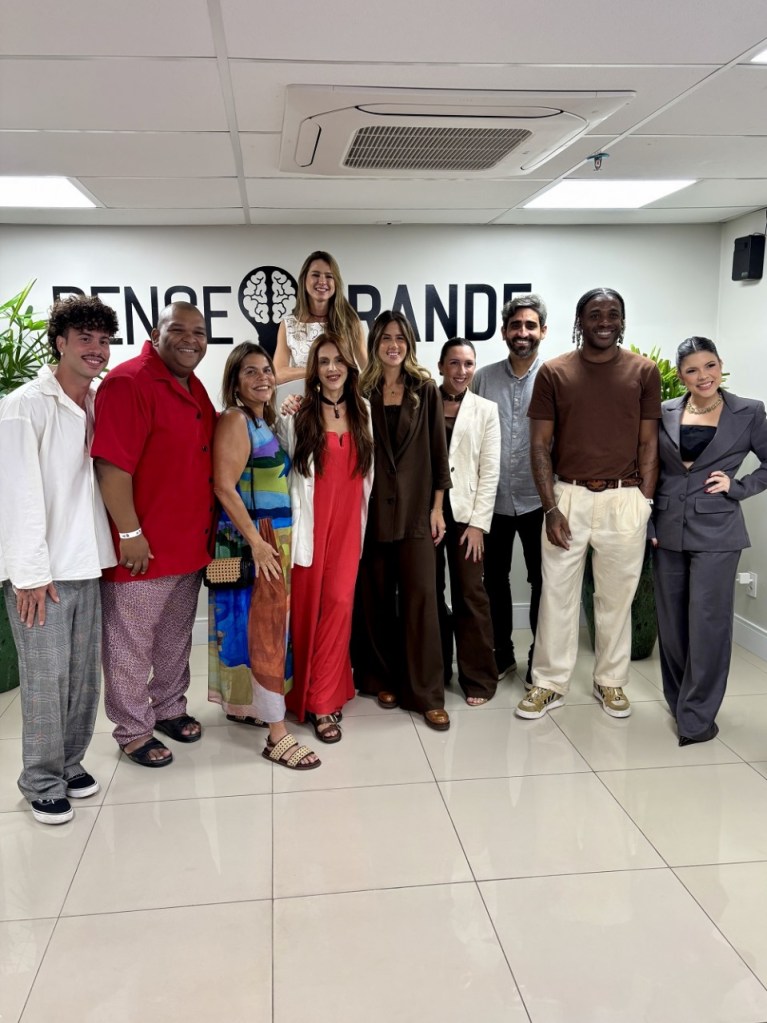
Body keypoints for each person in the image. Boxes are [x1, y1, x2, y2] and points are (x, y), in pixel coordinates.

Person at [0, 295, 118, 824]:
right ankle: (40, 779)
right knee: (45, 680)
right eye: (85, 338)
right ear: (60, 342)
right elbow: (16, 494)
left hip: (84, 562)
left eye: (103, 340)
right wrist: (27, 575)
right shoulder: (24, 405)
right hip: (41, 573)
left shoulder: (96, 402)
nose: (96, 349)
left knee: (82, 678)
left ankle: (69, 763)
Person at [517, 287, 661, 720]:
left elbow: (649, 442)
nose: (604, 322)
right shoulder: (554, 372)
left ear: (622, 321)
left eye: (612, 314)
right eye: (595, 314)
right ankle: (548, 683)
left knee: (616, 600)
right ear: (579, 322)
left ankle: (610, 681)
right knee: (556, 596)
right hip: (568, 497)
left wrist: (644, 502)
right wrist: (551, 508)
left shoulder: (644, 371)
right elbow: (539, 445)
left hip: (624, 498)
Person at [92, 301, 216, 767]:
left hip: (188, 546)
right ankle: (133, 730)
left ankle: (168, 708)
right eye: (178, 329)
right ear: (155, 333)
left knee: (174, 638)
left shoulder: (192, 385)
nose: (191, 339)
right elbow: (111, 465)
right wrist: (130, 532)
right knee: (130, 644)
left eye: (199, 332)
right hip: (144, 548)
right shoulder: (129, 382)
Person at [209, 342, 319, 770]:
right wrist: (257, 543)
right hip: (255, 540)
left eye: (267, 371)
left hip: (271, 539)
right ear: (235, 382)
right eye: (250, 372)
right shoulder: (235, 420)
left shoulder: (263, 420)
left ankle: (253, 706)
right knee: (266, 631)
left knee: (263, 628)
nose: (263, 378)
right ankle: (277, 735)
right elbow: (223, 486)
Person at [652, 337, 767, 745]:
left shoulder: (749, 411)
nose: (703, 376)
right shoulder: (664, 411)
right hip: (666, 528)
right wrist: (648, 523)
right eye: (692, 370)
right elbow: (649, 468)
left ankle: (697, 717)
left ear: (720, 364)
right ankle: (681, 700)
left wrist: (738, 487)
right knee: (672, 626)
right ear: (680, 375)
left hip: (718, 531)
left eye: (710, 366)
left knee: (708, 624)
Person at [352, 311, 452, 730]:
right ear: (374, 343)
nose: (393, 345)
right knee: (374, 598)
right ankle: (381, 679)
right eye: (385, 338)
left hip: (415, 511)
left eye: (400, 338)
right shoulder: (361, 389)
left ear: (409, 344)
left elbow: (438, 451)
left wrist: (437, 508)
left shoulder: (424, 389)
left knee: (421, 601)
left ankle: (426, 693)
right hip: (373, 510)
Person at [279, 333, 374, 742]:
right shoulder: (298, 414)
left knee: (338, 606)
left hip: (349, 527)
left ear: (350, 367)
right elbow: (281, 467)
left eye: (338, 361)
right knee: (306, 613)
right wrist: (283, 410)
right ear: (314, 370)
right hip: (311, 528)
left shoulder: (365, 411)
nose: (332, 368)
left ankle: (322, 701)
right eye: (323, 362)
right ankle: (304, 693)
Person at [473, 294, 547, 686]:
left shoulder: (554, 378)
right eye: (515, 325)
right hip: (494, 500)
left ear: (543, 331)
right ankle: (502, 655)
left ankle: (540, 658)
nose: (522, 332)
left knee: (543, 581)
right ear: (504, 332)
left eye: (530, 325)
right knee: (494, 581)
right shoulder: (483, 378)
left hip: (541, 501)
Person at [436, 339, 501, 705]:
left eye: (468, 364)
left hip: (466, 517)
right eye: (454, 363)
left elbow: (489, 472)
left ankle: (478, 679)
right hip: (428, 513)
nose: (461, 371)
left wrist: (478, 524)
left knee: (470, 593)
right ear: (441, 366)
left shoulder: (486, 410)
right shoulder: (424, 401)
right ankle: (436, 671)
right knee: (429, 593)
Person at [274, 250, 367, 383]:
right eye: (315, 275)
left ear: (336, 282)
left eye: (329, 276)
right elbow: (278, 373)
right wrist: (317, 370)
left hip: (343, 396)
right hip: (302, 396)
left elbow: (367, 368)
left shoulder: (350, 322)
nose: (322, 281)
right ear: (304, 280)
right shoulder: (289, 324)